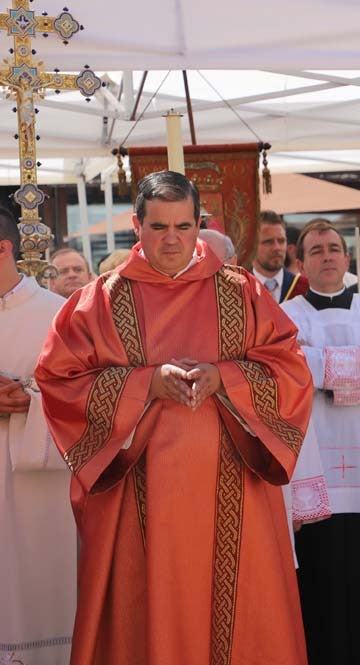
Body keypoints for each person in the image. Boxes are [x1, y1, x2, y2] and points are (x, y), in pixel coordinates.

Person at [35, 170, 314, 665]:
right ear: (137, 226)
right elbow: (59, 381)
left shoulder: (241, 290)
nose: (171, 240)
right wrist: (144, 385)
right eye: (159, 226)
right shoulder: (101, 299)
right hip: (138, 493)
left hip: (235, 490)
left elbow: (289, 368)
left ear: (198, 224)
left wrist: (225, 377)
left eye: (183, 227)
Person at [281, 219, 360, 665]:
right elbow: (294, 371)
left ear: (348, 257)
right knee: (325, 578)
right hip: (319, 466)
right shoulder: (289, 315)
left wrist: (332, 384)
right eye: (316, 251)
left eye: (334, 248)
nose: (327, 257)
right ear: (300, 262)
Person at [0, 210, 76, 665]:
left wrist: (31, 402)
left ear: (3, 248)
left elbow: (92, 397)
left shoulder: (61, 315)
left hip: (38, 494)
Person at [253, 210, 309, 302]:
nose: (277, 248)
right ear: (252, 245)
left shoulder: (304, 288)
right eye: (268, 242)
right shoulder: (241, 289)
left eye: (281, 241)